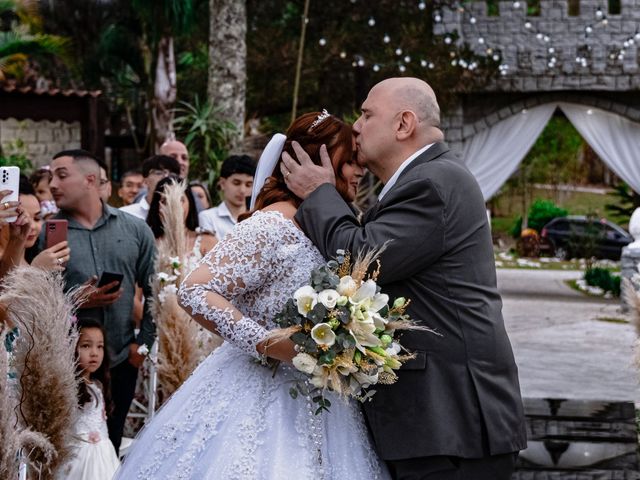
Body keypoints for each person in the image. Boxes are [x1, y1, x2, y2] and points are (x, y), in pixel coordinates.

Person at [114, 111, 384, 480]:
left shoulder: (334, 224)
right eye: (350, 160)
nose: (360, 169)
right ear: (314, 160)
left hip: (327, 401)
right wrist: (270, 343)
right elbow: (194, 289)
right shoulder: (273, 223)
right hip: (260, 392)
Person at [281, 78, 527, 480]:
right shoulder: (422, 180)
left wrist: (319, 193)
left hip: (451, 425)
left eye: (366, 113)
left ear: (404, 124)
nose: (356, 125)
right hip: (439, 427)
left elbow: (360, 259)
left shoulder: (433, 183)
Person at [42, 149, 157, 454]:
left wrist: (141, 347)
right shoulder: (51, 233)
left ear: (90, 179)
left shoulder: (135, 230)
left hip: (121, 359)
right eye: (51, 176)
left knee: (111, 446)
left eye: (61, 175)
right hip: (65, 366)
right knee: (68, 452)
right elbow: (38, 301)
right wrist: (80, 299)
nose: (53, 183)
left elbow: (157, 291)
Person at [57, 318, 120, 479]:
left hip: (104, 453)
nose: (94, 353)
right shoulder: (68, 386)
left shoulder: (98, 385)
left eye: (100, 346)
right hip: (79, 454)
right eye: (86, 346)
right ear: (71, 347)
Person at [147, 176, 217, 264]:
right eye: (165, 201)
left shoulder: (207, 241)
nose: (173, 207)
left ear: (190, 204)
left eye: (180, 200)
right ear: (157, 207)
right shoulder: (148, 243)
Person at [198, 155, 255, 239]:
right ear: (222, 183)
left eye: (248, 185)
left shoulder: (257, 218)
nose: (242, 190)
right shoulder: (208, 217)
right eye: (236, 183)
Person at [120, 155, 180, 220]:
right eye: (159, 173)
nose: (166, 177)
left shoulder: (185, 212)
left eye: (172, 175)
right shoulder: (126, 214)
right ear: (145, 181)